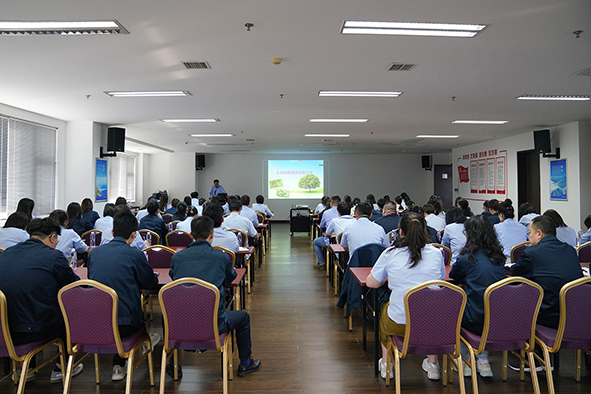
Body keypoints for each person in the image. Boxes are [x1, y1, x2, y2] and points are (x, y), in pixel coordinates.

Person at [169, 216, 261, 377]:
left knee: (166, 315)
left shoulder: (177, 258)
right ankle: (246, 363)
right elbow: (229, 279)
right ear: (212, 235)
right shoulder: (221, 257)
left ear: (191, 235)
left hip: (180, 324)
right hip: (214, 324)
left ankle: (173, 364)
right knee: (243, 317)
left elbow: (174, 280)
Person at [0, 217, 83, 382]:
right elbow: (73, 287)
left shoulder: (6, 254)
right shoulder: (53, 256)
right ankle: (62, 367)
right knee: (66, 313)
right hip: (37, 329)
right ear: (52, 237)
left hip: (4, 329)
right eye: (56, 240)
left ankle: (27, 366)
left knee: (27, 303)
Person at [366, 212, 445, 380]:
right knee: (431, 310)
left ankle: (387, 365)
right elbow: (440, 278)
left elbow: (371, 283)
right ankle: (433, 366)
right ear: (425, 230)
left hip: (399, 322)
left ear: (400, 232)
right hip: (432, 322)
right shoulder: (436, 253)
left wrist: (388, 277)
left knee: (385, 313)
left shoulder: (391, 253)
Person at [88, 208, 159, 381]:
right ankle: (138, 347)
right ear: (134, 235)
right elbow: (150, 283)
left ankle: (118, 363)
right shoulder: (135, 254)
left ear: (112, 232)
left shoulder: (94, 254)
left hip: (95, 322)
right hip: (127, 324)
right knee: (141, 327)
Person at [509, 215, 583, 372]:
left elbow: (515, 271)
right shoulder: (570, 250)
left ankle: (531, 358)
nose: (528, 237)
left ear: (539, 234)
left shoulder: (532, 253)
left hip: (547, 316)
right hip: (574, 316)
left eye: (530, 233)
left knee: (519, 301)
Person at [449, 215, 507, 377]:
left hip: (473, 318)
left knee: (455, 307)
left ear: (469, 235)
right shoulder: (499, 258)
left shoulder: (467, 258)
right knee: (483, 301)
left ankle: (464, 360)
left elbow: (455, 276)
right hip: (498, 318)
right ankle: (483, 359)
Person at [312, 195, 341, 270]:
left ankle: (321, 262)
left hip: (331, 240)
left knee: (316, 241)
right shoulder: (342, 213)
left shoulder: (326, 213)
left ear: (331, 203)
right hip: (343, 242)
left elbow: (322, 225)